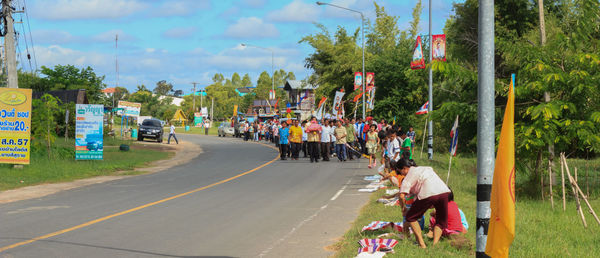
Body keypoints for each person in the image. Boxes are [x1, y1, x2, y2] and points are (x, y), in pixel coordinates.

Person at [396, 158, 451, 248]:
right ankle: (435, 245)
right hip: (444, 192)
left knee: (410, 217)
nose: (402, 175)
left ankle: (422, 244)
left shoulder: (409, 175)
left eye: (401, 172)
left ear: (405, 168)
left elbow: (401, 196)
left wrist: (403, 208)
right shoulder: (426, 168)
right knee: (440, 221)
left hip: (428, 193)